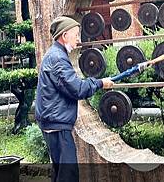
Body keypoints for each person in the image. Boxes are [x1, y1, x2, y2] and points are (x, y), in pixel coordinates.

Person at [35, 16, 114, 182]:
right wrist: (100, 83)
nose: (79, 40)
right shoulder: (57, 58)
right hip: (56, 124)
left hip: (53, 121)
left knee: (60, 172)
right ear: (64, 36)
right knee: (68, 175)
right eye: (76, 35)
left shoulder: (55, 55)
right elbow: (77, 89)